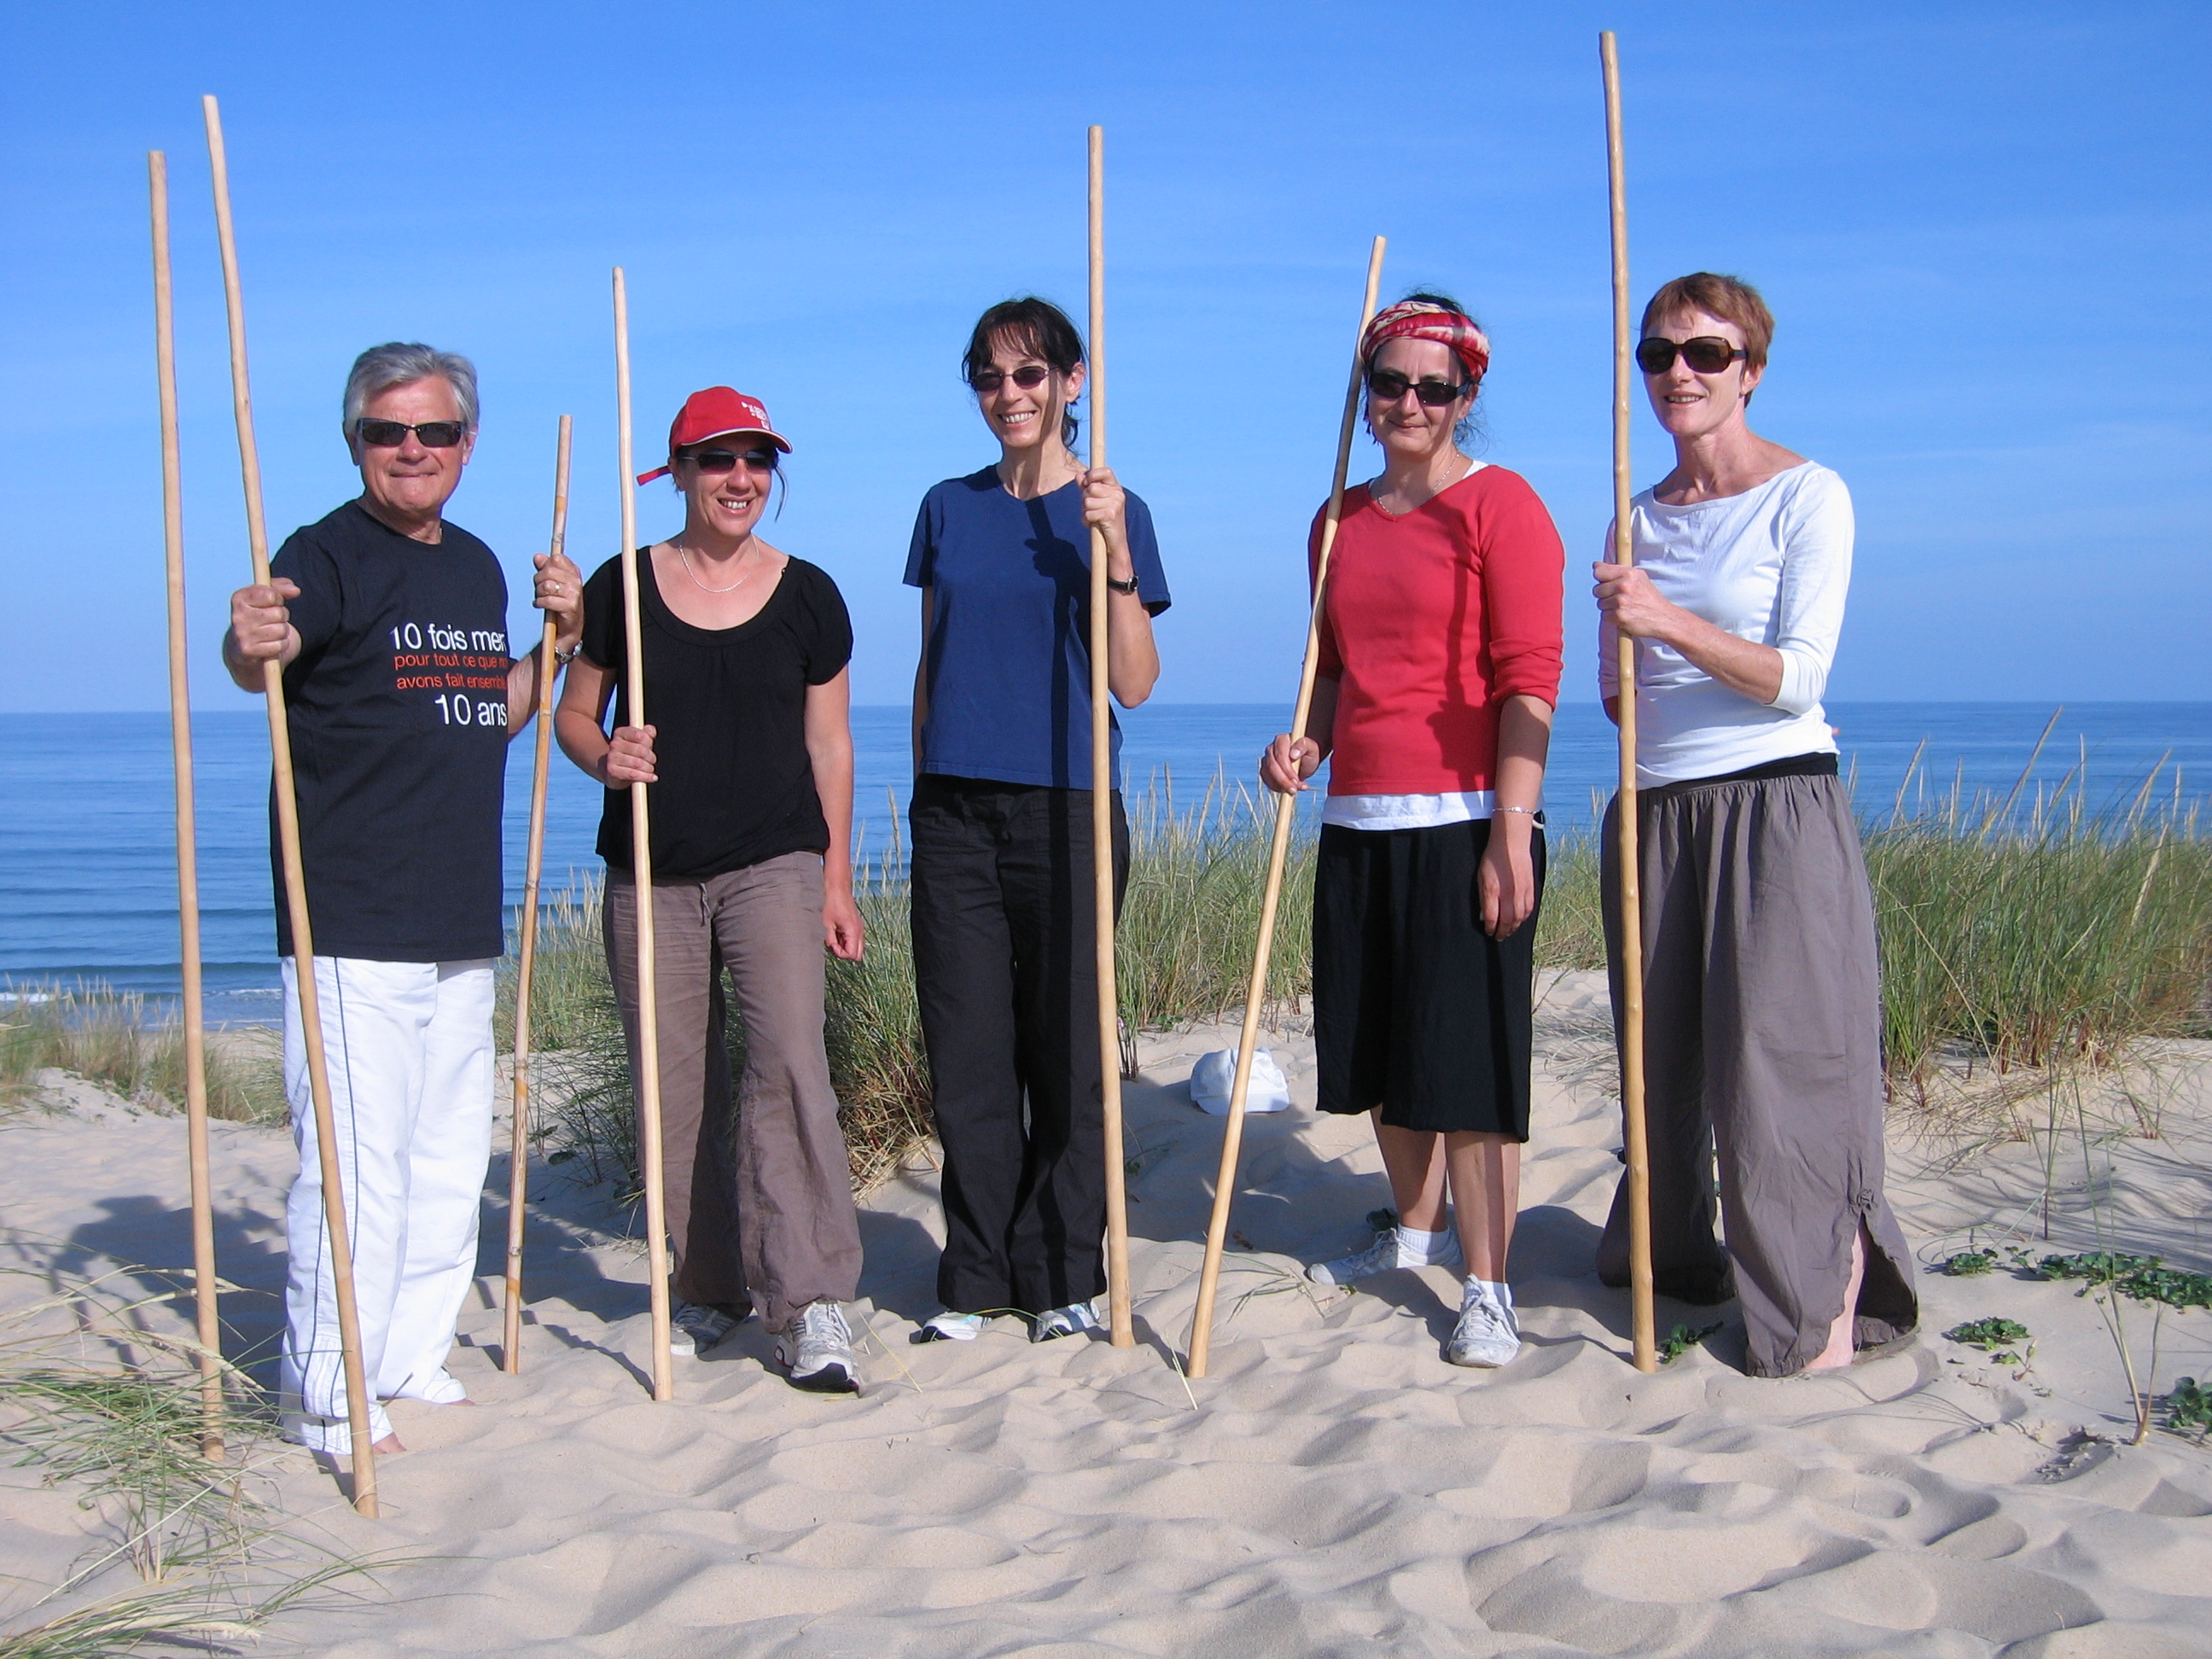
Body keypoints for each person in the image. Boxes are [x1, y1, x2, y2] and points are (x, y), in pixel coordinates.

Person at [224, 342, 583, 1454]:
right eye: (390, 433)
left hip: (458, 917)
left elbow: (493, 712)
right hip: (351, 918)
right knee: (356, 1165)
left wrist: (557, 647)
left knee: (441, 1158)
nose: (413, 450)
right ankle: (328, 1389)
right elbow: (262, 653)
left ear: (467, 443)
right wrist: (249, 645)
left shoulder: (475, 567)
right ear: (357, 443)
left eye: (434, 432)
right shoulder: (324, 556)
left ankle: (406, 1354)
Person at [1592, 272, 1918, 1377]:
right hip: (1653, 809)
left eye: (1705, 353)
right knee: (1662, 1059)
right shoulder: (1633, 514)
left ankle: (1814, 1305)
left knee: (1783, 1062)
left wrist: (1665, 619)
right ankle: (1679, 1255)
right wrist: (1621, 631)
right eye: (1657, 354)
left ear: (1752, 370)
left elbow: (1798, 676)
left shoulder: (1806, 495)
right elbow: (1617, 695)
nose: (1678, 372)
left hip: (1776, 803)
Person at [1262, 294, 1564, 1370]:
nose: (1408, 402)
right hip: (1359, 821)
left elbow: (1533, 680)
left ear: (1466, 396)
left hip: (1467, 816)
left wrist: (1512, 831)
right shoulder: (1335, 521)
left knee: (1470, 1068)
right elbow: (1334, 674)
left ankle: (1487, 1287)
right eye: (1388, 383)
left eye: (1433, 387)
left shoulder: (1501, 508)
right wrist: (1303, 745)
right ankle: (1414, 1234)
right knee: (1386, 1054)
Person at [555, 387, 867, 1394]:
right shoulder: (622, 587)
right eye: (718, 460)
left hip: (774, 860)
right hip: (650, 870)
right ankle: (712, 1283)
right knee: (674, 1081)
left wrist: (836, 880)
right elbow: (572, 716)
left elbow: (831, 744)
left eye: (756, 462)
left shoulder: (810, 593)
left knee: (788, 1067)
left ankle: (813, 1301)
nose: (741, 480)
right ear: (679, 472)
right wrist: (607, 758)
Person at [904, 297, 1169, 1343]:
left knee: (1066, 1052)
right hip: (955, 810)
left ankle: (1062, 1272)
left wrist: (1109, 551)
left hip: (1067, 804)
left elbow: (1138, 683)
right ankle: (976, 1276)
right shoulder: (946, 506)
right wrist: (929, 776)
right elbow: (934, 659)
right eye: (988, 377)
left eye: (1028, 375)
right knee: (968, 1051)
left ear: (1072, 379)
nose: (1008, 395)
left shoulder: (1114, 508)